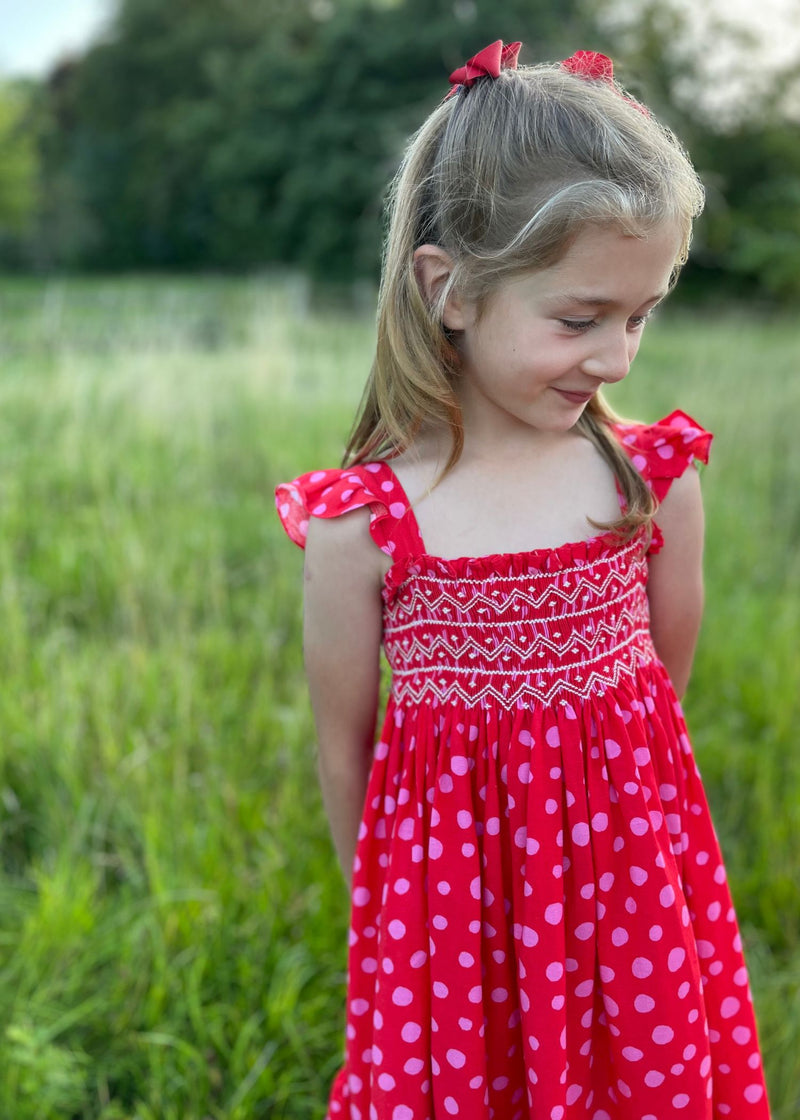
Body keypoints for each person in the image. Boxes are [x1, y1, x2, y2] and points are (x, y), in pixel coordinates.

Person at [275, 40, 770, 1120]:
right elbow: (343, 749)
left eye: (640, 315)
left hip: (627, 905)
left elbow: (655, 703)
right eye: (579, 319)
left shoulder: (646, 483)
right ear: (448, 291)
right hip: (446, 928)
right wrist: (394, 937)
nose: (617, 358)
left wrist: (593, 852)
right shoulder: (362, 526)